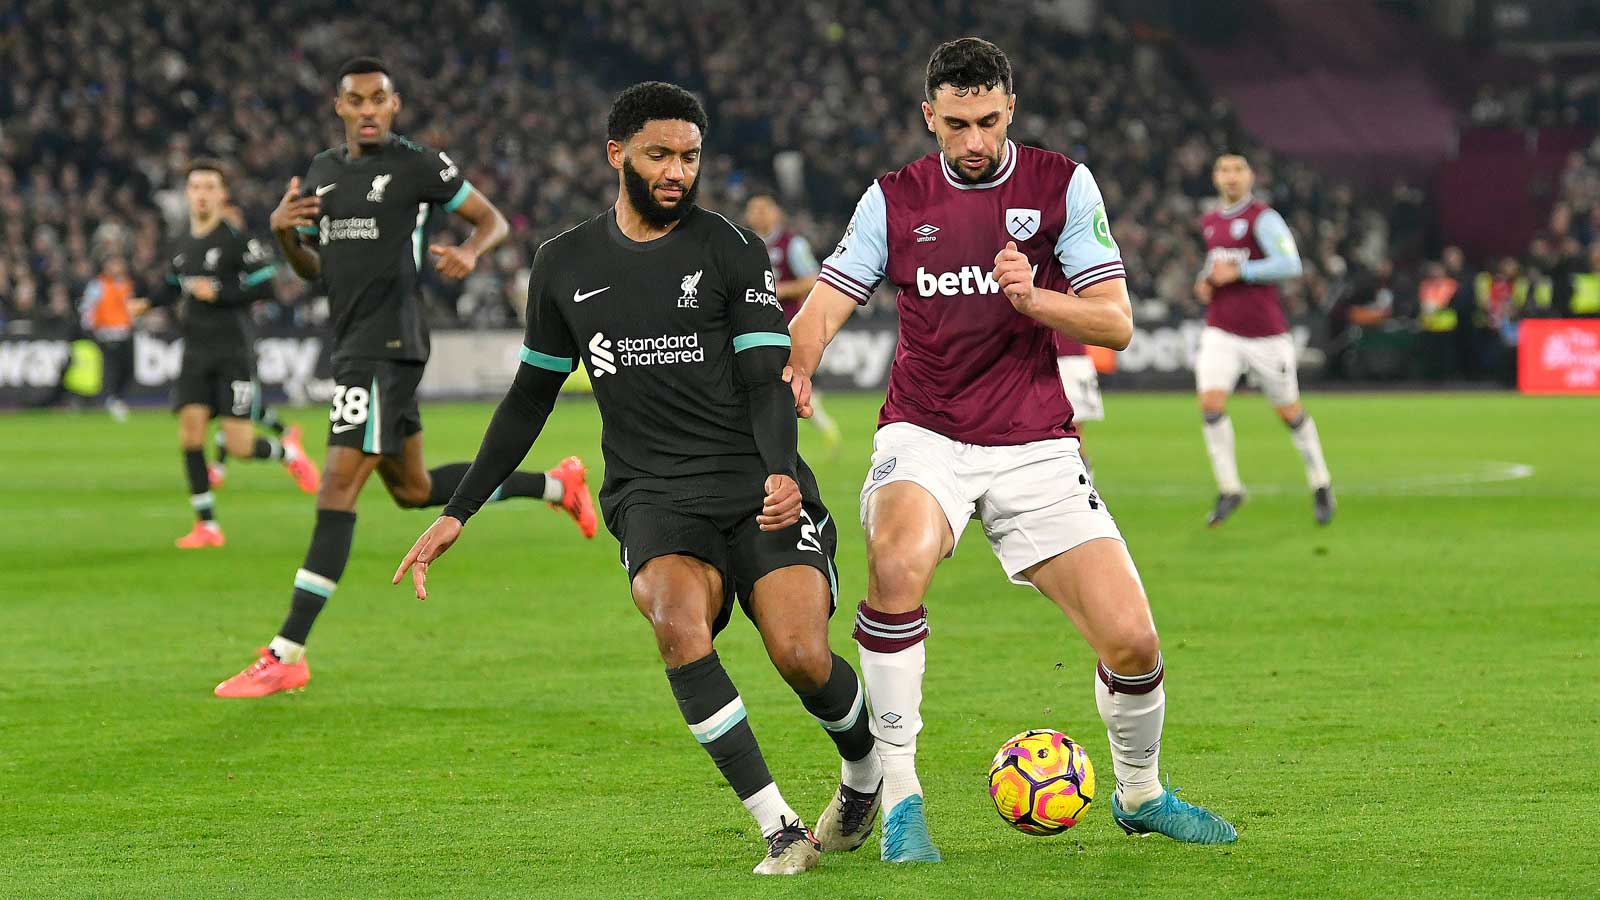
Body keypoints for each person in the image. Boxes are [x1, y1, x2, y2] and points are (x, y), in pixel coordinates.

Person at [395, 82, 880, 876]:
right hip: (652, 496)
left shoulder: (729, 246)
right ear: (617, 153)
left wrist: (783, 474)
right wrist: (459, 510)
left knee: (799, 653)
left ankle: (863, 773)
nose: (677, 172)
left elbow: (766, 379)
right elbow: (529, 399)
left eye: (690, 157)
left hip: (753, 481)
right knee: (675, 620)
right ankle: (780, 826)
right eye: (660, 155)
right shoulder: (563, 265)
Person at [787, 38, 1237, 861]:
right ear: (929, 117)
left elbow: (1118, 323)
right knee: (896, 562)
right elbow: (824, 303)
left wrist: (1037, 299)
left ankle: (1140, 793)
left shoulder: (1061, 185)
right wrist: (799, 363)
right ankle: (900, 798)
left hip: (1035, 442)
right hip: (925, 431)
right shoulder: (893, 199)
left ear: (1011, 110)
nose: (973, 141)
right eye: (955, 124)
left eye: (988, 121)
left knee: (1133, 644)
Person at [214, 57, 596, 699]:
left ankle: (287, 651)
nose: (367, 109)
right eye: (355, 100)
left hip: (388, 346)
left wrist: (470, 252)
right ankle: (558, 485)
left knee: (336, 488)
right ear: (339, 107)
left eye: (379, 99)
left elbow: (492, 220)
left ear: (394, 106)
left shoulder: (419, 165)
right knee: (414, 489)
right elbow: (315, 271)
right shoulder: (322, 173)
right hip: (353, 344)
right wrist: (284, 235)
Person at [140, 158, 320, 549]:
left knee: (238, 446)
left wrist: (221, 292)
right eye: (195, 187)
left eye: (209, 187)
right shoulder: (180, 242)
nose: (202, 194)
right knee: (190, 435)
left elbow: (266, 285)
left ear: (222, 195)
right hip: (195, 352)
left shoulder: (237, 241)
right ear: (187, 194)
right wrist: (146, 303)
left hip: (233, 352)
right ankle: (207, 525)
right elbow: (174, 286)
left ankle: (285, 451)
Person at [1194, 153, 1333, 527]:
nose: (1231, 176)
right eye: (1224, 169)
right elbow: (1216, 265)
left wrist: (1240, 271)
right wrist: (1205, 281)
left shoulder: (1263, 218)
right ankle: (1229, 488)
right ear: (1215, 177)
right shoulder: (1209, 222)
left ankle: (1320, 481)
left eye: (1238, 170)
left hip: (1265, 334)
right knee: (1210, 404)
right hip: (1220, 329)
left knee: (1289, 411)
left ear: (1250, 177)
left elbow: (1290, 264)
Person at [744, 192, 842, 455]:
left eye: (764, 209)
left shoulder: (792, 244)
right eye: (754, 209)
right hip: (752, 328)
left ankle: (782, 444)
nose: (758, 214)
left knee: (778, 386)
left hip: (786, 326)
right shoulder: (743, 243)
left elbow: (813, 280)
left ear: (776, 213)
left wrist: (777, 290)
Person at [80, 256, 138, 422]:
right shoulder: (97, 285)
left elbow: (130, 308)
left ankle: (117, 398)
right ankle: (113, 399)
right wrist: (92, 329)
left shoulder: (126, 284)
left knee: (128, 368)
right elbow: (87, 308)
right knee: (113, 369)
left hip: (125, 331)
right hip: (107, 333)